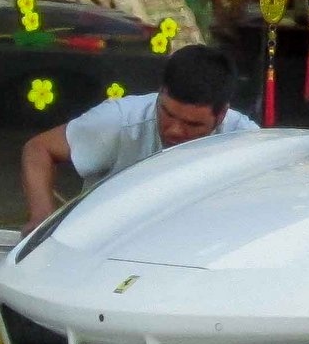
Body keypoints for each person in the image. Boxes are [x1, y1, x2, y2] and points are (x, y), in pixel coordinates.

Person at [21, 45, 257, 231]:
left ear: (222, 114)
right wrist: (42, 217)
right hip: (107, 243)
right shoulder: (118, 120)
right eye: (167, 113)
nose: (175, 130)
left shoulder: (245, 142)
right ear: (162, 91)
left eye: (192, 124)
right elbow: (39, 148)